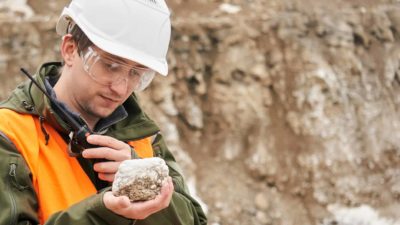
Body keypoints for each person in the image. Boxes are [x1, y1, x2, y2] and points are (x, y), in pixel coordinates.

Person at [0, 0, 207, 224]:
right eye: (110, 65)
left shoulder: (142, 137)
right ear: (70, 50)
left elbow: (194, 220)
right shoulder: (10, 136)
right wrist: (105, 213)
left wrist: (146, 185)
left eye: (137, 74)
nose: (121, 88)